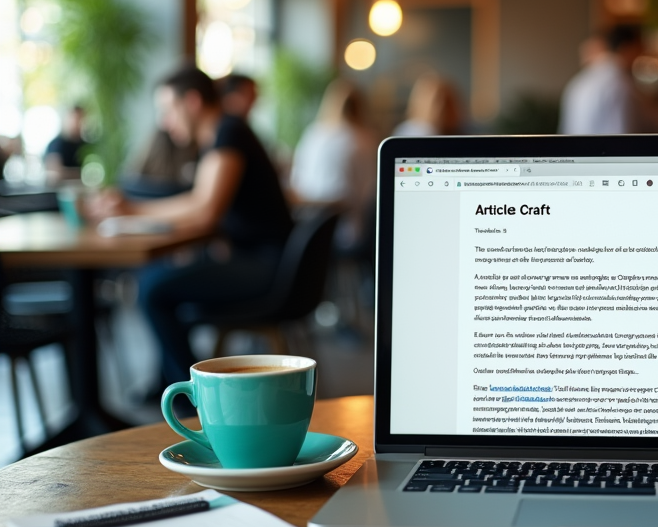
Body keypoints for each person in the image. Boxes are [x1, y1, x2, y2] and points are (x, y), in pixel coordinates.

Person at [87, 66, 293, 386]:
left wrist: (132, 209)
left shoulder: (229, 131)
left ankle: (192, 397)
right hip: (258, 258)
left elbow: (205, 208)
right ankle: (171, 380)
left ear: (193, 102)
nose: (164, 122)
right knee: (160, 281)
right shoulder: (221, 134)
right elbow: (196, 200)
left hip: (268, 265)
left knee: (153, 289)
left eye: (168, 109)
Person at [290, 80, 378, 251]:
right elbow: (371, 191)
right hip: (348, 232)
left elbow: (297, 181)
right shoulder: (365, 140)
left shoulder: (313, 133)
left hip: (307, 230)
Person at [559, 25, 643, 135]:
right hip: (603, 151)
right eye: (639, 50)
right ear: (628, 48)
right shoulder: (618, 83)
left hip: (576, 151)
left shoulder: (578, 82)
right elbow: (622, 136)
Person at [393, 74, 461, 136]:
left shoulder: (461, 133)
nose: (441, 107)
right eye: (436, 101)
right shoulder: (409, 132)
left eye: (447, 102)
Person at [44, 105, 86, 183]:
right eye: (75, 119)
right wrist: (82, 174)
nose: (77, 123)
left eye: (80, 119)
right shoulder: (56, 144)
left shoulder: (85, 146)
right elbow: (55, 174)